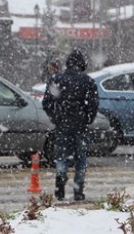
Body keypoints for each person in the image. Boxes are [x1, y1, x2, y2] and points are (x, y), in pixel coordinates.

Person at [42, 49, 99, 201]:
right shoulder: (87, 81)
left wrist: (56, 117)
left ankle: (60, 181)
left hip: (62, 125)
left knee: (61, 156)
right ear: (82, 64)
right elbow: (93, 105)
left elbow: (46, 102)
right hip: (80, 125)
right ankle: (78, 190)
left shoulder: (57, 79)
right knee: (81, 158)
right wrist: (87, 119)